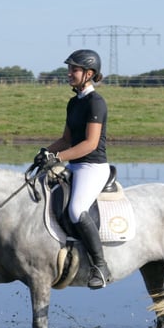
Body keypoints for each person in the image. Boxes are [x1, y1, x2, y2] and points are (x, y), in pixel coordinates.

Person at [34, 49, 111, 289]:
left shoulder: (96, 102)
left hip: (93, 167)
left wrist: (58, 157)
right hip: (74, 164)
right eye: (69, 69)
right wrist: (47, 152)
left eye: (74, 69)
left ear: (89, 74)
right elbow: (67, 139)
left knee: (77, 209)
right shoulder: (73, 102)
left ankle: (100, 266)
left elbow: (89, 144)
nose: (69, 73)